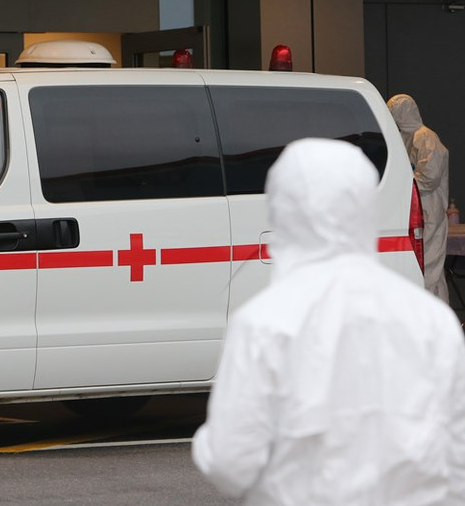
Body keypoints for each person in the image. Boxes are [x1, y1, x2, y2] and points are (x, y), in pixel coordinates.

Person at [192, 138, 465, 505]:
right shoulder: (431, 321)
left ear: (283, 210)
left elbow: (230, 460)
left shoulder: (265, 323)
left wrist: (206, 444)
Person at [387, 93, 450, 302]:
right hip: (415, 212)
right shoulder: (406, 138)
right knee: (420, 270)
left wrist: (404, 184)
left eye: (395, 113)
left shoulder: (425, 137)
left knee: (429, 269)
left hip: (428, 211)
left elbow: (430, 176)